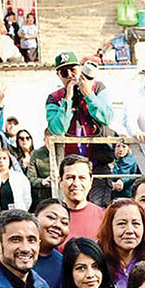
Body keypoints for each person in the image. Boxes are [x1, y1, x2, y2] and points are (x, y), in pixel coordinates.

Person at [46, 52, 116, 206]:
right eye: (64, 73)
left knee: (98, 208)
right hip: (71, 166)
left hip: (98, 162)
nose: (70, 75)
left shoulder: (98, 88)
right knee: (73, 208)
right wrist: (68, 99)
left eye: (73, 70)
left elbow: (107, 117)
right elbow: (58, 129)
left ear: (80, 68)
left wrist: (89, 95)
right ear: (59, 75)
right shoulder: (55, 98)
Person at [97, 198, 145, 288]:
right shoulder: (96, 262)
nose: (129, 230)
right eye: (122, 224)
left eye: (136, 223)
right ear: (109, 228)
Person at [60, 155, 105, 242]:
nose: (76, 183)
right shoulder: (50, 218)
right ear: (60, 181)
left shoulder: (104, 217)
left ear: (91, 181)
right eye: (70, 178)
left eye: (82, 178)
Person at [0, 144, 32, 217]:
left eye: (4, 158)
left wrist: (22, 211)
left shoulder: (19, 177)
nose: (1, 161)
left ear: (9, 160)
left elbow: (27, 198)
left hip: (18, 215)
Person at [15, 129, 51, 207]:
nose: (52, 144)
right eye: (49, 141)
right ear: (44, 140)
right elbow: (30, 178)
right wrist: (42, 181)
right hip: (44, 197)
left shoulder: (64, 151)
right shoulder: (36, 154)